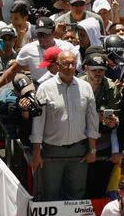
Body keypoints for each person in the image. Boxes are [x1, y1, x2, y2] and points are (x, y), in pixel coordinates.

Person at [29, 50, 99, 201]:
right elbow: (38, 121)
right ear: (57, 65)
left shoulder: (85, 87)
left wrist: (92, 149)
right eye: (66, 63)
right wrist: (36, 152)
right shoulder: (45, 88)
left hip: (78, 151)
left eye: (73, 63)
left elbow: (92, 121)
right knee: (51, 194)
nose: (70, 67)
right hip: (52, 152)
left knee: (76, 194)